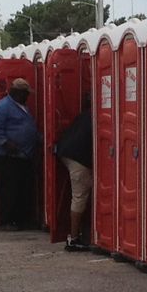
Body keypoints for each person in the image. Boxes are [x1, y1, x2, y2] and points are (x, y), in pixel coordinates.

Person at [0, 77, 41, 229]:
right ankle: (6, 221)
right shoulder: (2, 107)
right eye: (25, 93)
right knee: (9, 189)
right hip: (7, 157)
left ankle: (21, 219)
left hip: (23, 156)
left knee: (22, 189)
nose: (27, 96)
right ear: (17, 93)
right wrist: (6, 143)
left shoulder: (23, 107)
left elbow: (29, 127)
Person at [54, 97, 94, 251]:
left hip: (66, 152)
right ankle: (74, 238)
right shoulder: (96, 117)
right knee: (80, 196)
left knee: (82, 193)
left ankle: (82, 233)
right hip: (78, 158)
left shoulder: (86, 115)